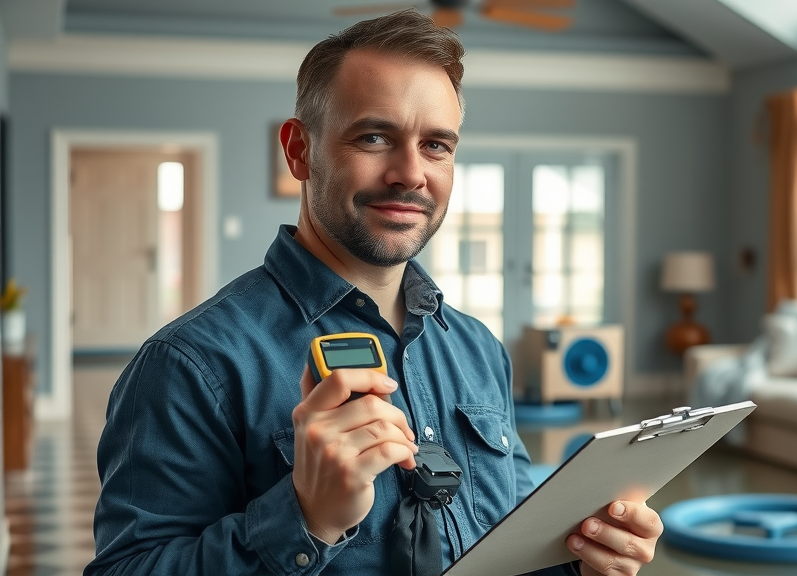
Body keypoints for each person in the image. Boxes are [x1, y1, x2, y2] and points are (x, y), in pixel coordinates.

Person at [85, 10, 663, 576]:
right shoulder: (189, 365)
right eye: (375, 136)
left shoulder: (477, 347)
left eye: (436, 145)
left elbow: (507, 540)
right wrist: (306, 518)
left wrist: (585, 562)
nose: (410, 173)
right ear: (299, 151)